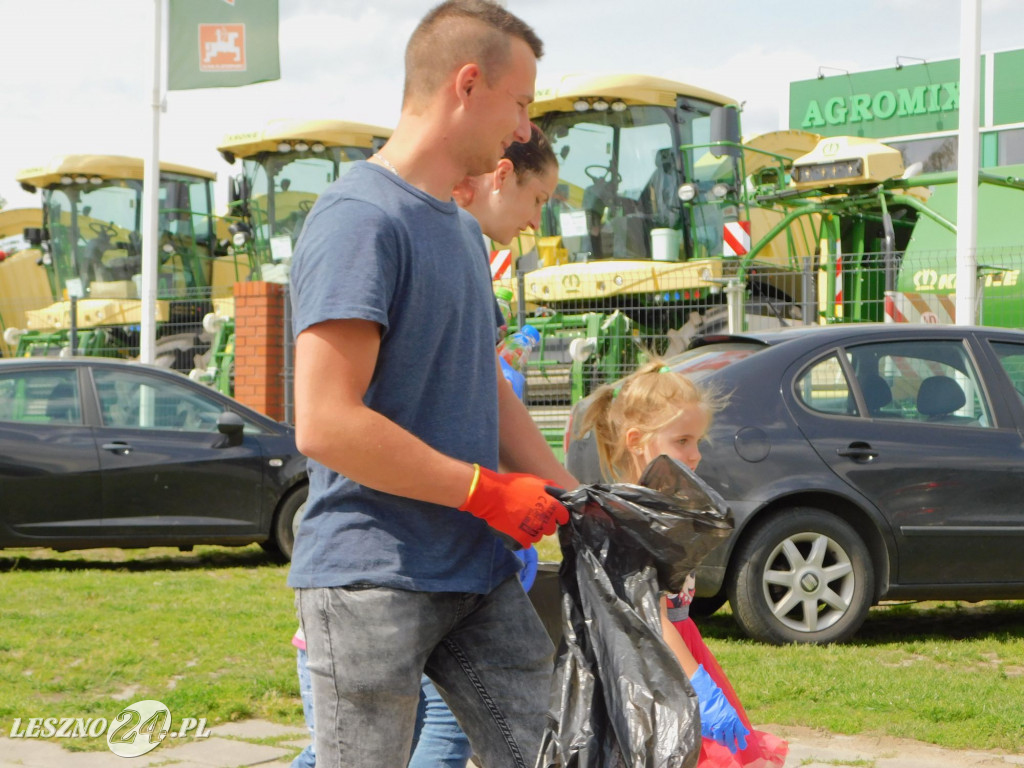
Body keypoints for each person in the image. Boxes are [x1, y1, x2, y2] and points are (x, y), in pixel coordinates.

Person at [287, 2, 575, 767]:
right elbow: (325, 423)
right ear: (468, 84)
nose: (522, 129)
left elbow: (484, 381)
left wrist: (572, 497)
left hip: (474, 572)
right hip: (370, 579)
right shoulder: (359, 217)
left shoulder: (455, 227)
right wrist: (487, 492)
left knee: (549, 752)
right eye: (520, 104)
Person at [574, 360, 788, 768]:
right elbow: (651, 616)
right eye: (683, 441)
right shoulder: (630, 518)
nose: (696, 454)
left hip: (680, 649)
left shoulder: (657, 510)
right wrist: (696, 685)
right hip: (658, 665)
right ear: (638, 440)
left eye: (698, 440)